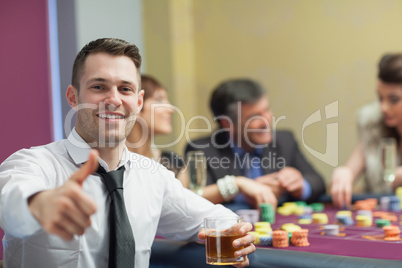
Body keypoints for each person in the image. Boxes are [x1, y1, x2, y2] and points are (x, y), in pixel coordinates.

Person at [0, 38, 255, 267]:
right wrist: (39, 204)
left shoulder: (154, 177)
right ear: (73, 97)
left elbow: (215, 218)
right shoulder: (33, 164)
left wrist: (238, 234)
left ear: (139, 101)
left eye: (125, 89)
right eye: (99, 87)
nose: (114, 99)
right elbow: (11, 202)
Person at [185, 78, 326, 210]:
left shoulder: (284, 140)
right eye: (254, 117)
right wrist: (242, 191)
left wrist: (300, 185)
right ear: (228, 124)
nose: (266, 121)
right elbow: (193, 201)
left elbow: (317, 182)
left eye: (266, 110)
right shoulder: (202, 150)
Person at [331, 53, 402, 208]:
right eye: (380, 98)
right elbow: (350, 168)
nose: (383, 107)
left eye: (393, 100)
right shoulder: (373, 125)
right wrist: (344, 173)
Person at [126, 74, 187, 187]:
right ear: (138, 105)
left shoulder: (173, 163)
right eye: (159, 100)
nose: (171, 108)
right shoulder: (113, 163)